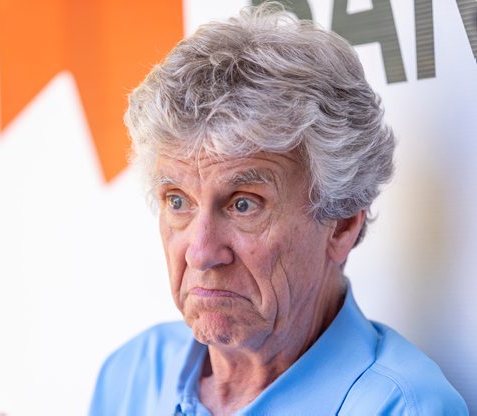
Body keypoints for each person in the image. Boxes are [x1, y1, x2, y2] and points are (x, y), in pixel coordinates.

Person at [89, 3, 468, 415]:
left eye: (243, 204)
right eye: (178, 201)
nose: (200, 252)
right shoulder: (134, 372)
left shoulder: (402, 406)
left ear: (340, 225)